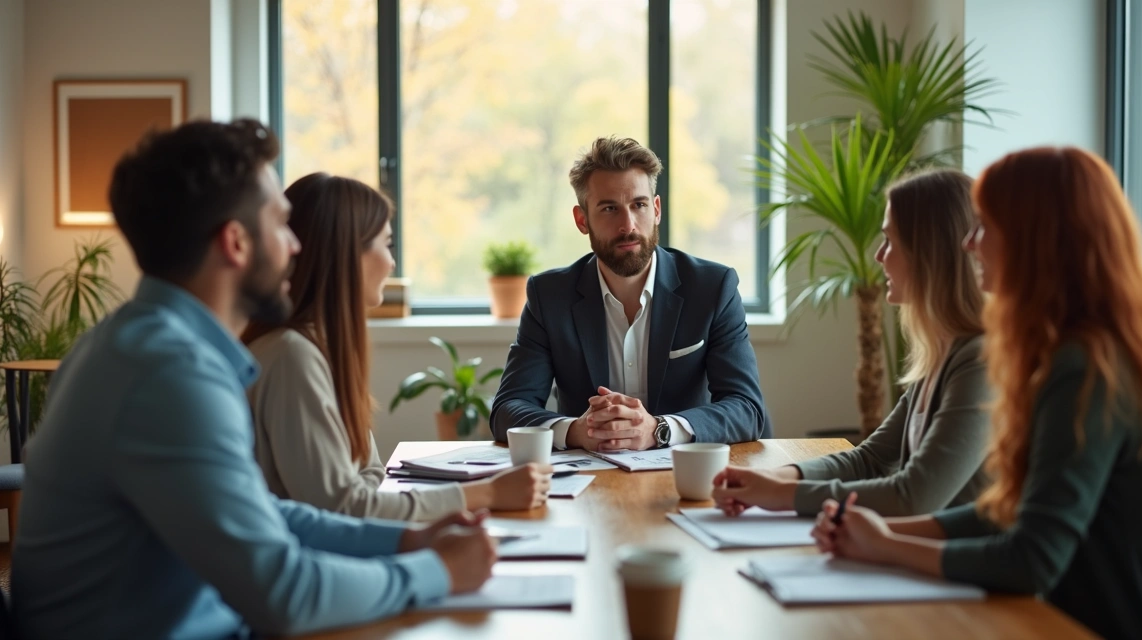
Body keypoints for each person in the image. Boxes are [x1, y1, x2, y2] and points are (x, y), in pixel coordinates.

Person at [11, 120, 497, 639]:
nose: (295, 246)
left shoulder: (140, 345)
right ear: (236, 242)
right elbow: (284, 594)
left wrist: (406, 543)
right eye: (282, 224)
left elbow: (269, 515)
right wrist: (438, 571)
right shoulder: (171, 376)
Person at [812, 147, 1142, 640]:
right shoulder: (1069, 351)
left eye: (984, 226)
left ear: (1034, 239)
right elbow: (1011, 508)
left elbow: (1032, 558)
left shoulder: (1083, 366)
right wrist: (879, 531)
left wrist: (887, 546)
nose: (969, 244)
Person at [244, 172, 550, 520]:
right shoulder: (292, 357)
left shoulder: (317, 351)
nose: (391, 263)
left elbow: (371, 477)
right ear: (345, 254)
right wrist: (486, 492)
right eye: (385, 245)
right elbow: (341, 507)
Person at [712, 170, 991, 517]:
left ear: (929, 253)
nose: (879, 255)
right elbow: (869, 459)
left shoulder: (981, 360)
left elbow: (913, 495)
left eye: (890, 240)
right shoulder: (941, 352)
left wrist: (784, 494)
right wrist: (772, 477)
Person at [489, 136, 769, 451]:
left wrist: (660, 429)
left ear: (657, 209)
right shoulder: (549, 296)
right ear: (582, 220)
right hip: (586, 482)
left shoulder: (713, 288)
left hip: (684, 472)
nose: (628, 225)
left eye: (639, 205)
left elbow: (747, 409)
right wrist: (576, 431)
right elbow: (507, 410)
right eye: (610, 208)